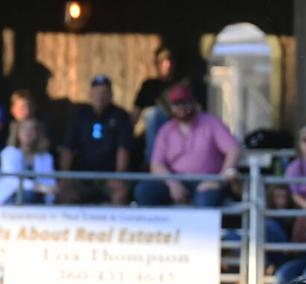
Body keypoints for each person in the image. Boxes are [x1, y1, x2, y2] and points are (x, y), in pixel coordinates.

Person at [134, 84, 241, 207]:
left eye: (185, 103)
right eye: (176, 104)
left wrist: (220, 179)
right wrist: (172, 183)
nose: (181, 108)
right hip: (176, 179)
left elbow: (234, 149)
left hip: (207, 181)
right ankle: (163, 226)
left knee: (205, 200)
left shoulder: (212, 123)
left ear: (194, 102)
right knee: (143, 191)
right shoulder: (166, 130)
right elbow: (156, 164)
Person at [58, 74, 134, 205]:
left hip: (109, 177)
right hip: (82, 176)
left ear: (111, 94)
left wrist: (119, 175)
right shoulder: (80, 115)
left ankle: (116, 226)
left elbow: (123, 149)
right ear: (91, 94)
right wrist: (64, 175)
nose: (100, 96)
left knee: (120, 191)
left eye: (104, 92)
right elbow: (68, 148)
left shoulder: (120, 116)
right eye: (97, 92)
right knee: (64, 192)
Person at [132, 46, 176, 165]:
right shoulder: (149, 86)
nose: (167, 65)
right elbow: (134, 116)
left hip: (178, 130)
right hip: (154, 134)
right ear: (157, 64)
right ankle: (153, 163)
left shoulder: (182, 85)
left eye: (169, 61)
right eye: (162, 61)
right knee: (152, 114)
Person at [0, 119, 55, 204]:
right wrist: (36, 187)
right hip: (11, 199)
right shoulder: (9, 153)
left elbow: (49, 182)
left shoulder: (46, 157)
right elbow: (11, 179)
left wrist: (50, 193)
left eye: (32, 129)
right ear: (17, 133)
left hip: (40, 199)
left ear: (38, 133)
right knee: (29, 194)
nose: (28, 132)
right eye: (24, 129)